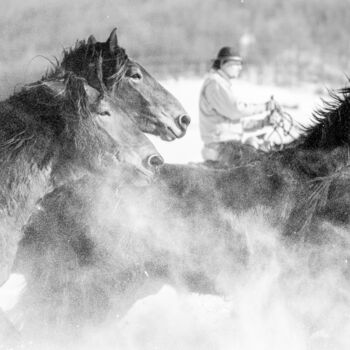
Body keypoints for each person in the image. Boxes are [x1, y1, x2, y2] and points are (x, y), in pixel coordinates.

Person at [199, 46, 276, 164]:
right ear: (223, 63)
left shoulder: (222, 84)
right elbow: (235, 110)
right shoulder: (215, 84)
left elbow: (236, 123)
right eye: (236, 63)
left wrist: (264, 122)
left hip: (229, 145)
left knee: (266, 145)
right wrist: (265, 107)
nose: (240, 67)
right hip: (222, 147)